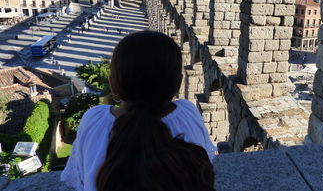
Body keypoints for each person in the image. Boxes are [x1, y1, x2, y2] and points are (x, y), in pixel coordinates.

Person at [60, 31, 216, 191]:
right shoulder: (188, 113)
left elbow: (80, 179)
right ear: (178, 84)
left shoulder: (94, 119)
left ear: (113, 85)